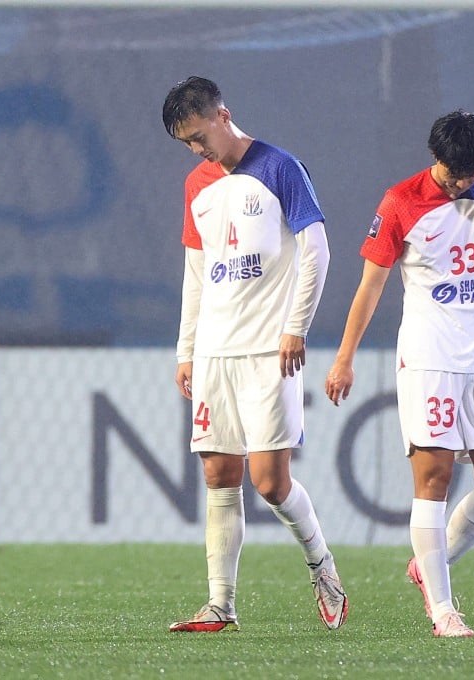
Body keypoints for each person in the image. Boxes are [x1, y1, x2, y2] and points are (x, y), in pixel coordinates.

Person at [324, 110, 474, 638]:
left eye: (472, 173)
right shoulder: (401, 201)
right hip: (429, 357)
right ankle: (443, 610)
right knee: (434, 479)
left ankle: (429, 565)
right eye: (455, 174)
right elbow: (370, 285)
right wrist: (345, 356)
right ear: (436, 159)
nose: (464, 183)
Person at [162, 76, 348, 633]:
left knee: (270, 483)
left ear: (223, 114)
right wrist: (186, 350)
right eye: (186, 143)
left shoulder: (279, 168)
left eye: (199, 135)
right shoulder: (197, 184)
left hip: (270, 349)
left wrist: (297, 326)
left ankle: (322, 565)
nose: (197, 149)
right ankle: (221, 604)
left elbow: (316, 250)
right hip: (215, 349)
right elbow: (196, 273)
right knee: (220, 474)